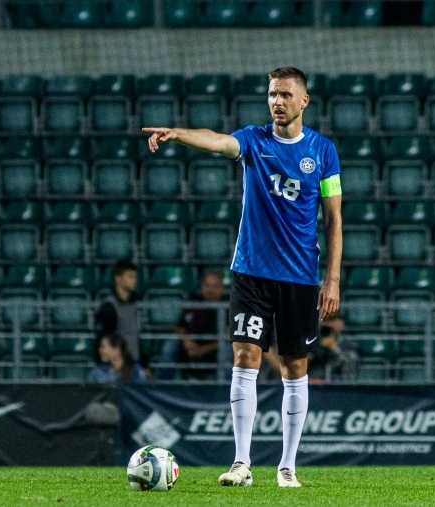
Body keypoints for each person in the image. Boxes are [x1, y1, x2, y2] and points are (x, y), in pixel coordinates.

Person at [143, 66, 342, 488]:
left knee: (294, 367)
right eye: (272, 94)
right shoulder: (254, 141)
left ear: (303, 101)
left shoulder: (323, 152)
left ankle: (287, 466)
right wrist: (179, 133)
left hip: (301, 277)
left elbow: (334, 220)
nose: (277, 101)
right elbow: (218, 141)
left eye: (286, 94)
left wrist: (332, 280)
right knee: (245, 356)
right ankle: (241, 462)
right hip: (251, 270)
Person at [174, 271, 226, 381]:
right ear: (202, 286)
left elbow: (229, 337)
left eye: (215, 286)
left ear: (222, 288)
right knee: (169, 346)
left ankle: (224, 388)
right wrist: (186, 342)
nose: (210, 290)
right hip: (190, 346)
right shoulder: (193, 301)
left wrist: (203, 349)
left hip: (214, 348)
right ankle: (163, 387)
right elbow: (180, 327)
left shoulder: (229, 307)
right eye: (207, 285)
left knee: (229, 350)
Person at [94, 261, 142, 367]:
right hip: (116, 366)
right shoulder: (109, 308)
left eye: (135, 277)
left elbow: (136, 337)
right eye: (130, 277)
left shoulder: (135, 304)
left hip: (134, 363)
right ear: (118, 279)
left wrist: (144, 364)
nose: (134, 281)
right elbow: (103, 339)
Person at [306, 317, 358, 383]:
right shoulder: (312, 343)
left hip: (339, 384)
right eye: (325, 321)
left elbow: (350, 368)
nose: (328, 325)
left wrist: (335, 350)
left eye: (332, 321)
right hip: (314, 383)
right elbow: (304, 365)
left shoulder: (348, 344)